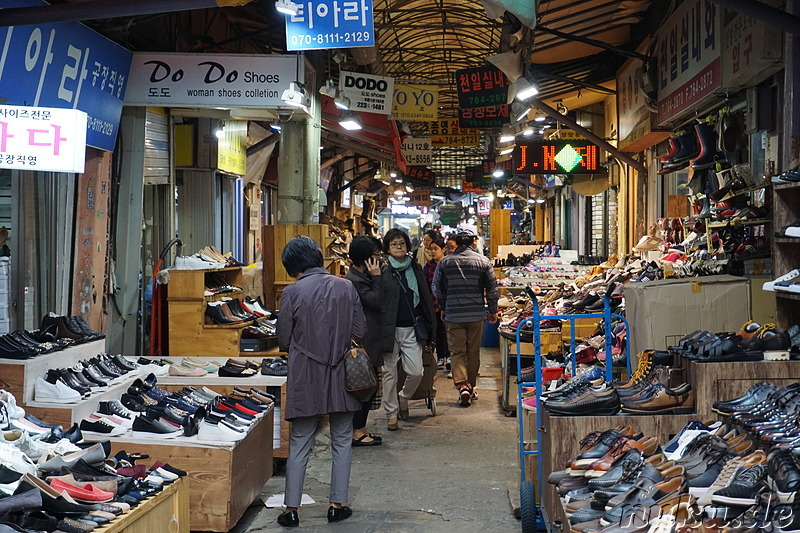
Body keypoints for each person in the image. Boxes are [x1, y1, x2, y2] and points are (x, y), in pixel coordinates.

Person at [276, 236, 366, 528]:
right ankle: (336, 505)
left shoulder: (292, 292)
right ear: (318, 258)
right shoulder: (346, 286)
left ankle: (291, 509)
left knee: (300, 442)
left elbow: (283, 339)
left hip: (305, 375)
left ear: (292, 266)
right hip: (342, 372)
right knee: (342, 440)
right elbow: (359, 329)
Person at [432, 227, 499, 407]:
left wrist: (444, 306)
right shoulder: (483, 262)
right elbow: (492, 289)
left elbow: (437, 288)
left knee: (457, 352)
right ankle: (470, 386)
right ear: (472, 241)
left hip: (453, 314)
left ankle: (462, 385)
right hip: (476, 314)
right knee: (473, 351)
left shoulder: (445, 263)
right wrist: (493, 310)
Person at [380, 228, 436, 431]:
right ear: (387, 247)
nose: (398, 247)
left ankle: (404, 398)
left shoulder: (415, 268)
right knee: (389, 374)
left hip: (412, 327)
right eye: (394, 244)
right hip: (388, 329)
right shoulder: (383, 269)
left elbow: (425, 297)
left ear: (407, 246)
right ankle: (391, 414)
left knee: (416, 371)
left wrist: (431, 325)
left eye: (401, 243)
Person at [344, 236, 385, 447]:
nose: (379, 259)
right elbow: (377, 301)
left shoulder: (362, 277)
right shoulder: (355, 281)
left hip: (370, 342)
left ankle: (361, 428)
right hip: (363, 344)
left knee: (369, 386)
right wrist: (378, 276)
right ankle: (356, 432)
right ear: (365, 259)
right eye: (376, 256)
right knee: (364, 387)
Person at [422, 235, 450, 369]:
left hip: (449, 304)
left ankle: (449, 356)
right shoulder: (428, 267)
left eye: (435, 249)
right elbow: (425, 285)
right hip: (434, 304)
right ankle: (441, 357)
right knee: (438, 331)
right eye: (431, 249)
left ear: (443, 249)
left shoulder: (449, 265)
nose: (433, 252)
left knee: (449, 331)